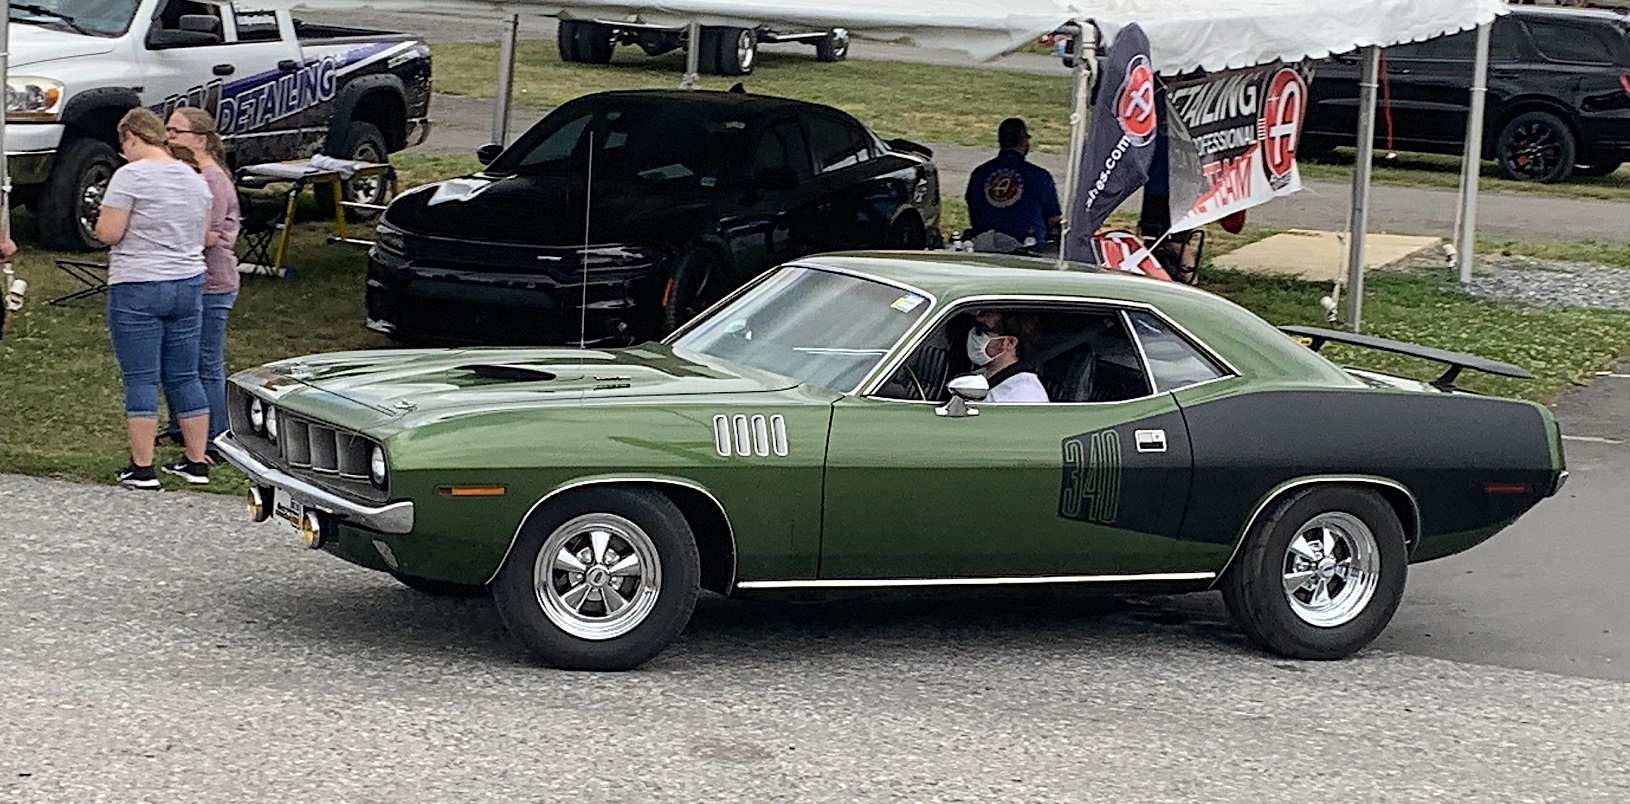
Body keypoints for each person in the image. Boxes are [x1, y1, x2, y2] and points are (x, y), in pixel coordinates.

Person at [95, 107, 215, 489]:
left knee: (141, 377)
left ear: (131, 136)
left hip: (138, 283)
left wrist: (101, 221)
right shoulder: (194, 177)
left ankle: (143, 467)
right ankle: (197, 462)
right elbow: (202, 233)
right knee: (185, 373)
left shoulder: (129, 176)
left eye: (124, 145)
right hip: (187, 280)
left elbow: (110, 232)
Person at [155, 107, 241, 462]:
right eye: (167, 131)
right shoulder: (193, 174)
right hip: (191, 280)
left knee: (206, 362)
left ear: (200, 139)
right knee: (178, 359)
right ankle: (182, 426)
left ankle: (216, 438)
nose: (169, 138)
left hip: (213, 282)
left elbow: (209, 234)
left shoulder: (211, 179)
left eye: (176, 132)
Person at [965, 118, 1062, 246]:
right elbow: (1052, 219)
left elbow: (973, 211)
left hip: (984, 245)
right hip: (1028, 248)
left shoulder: (979, 174)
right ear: (1024, 141)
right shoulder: (1040, 176)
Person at [966, 309, 1048, 403]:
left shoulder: (1023, 393)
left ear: (1010, 343)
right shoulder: (983, 375)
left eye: (981, 329)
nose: (973, 334)